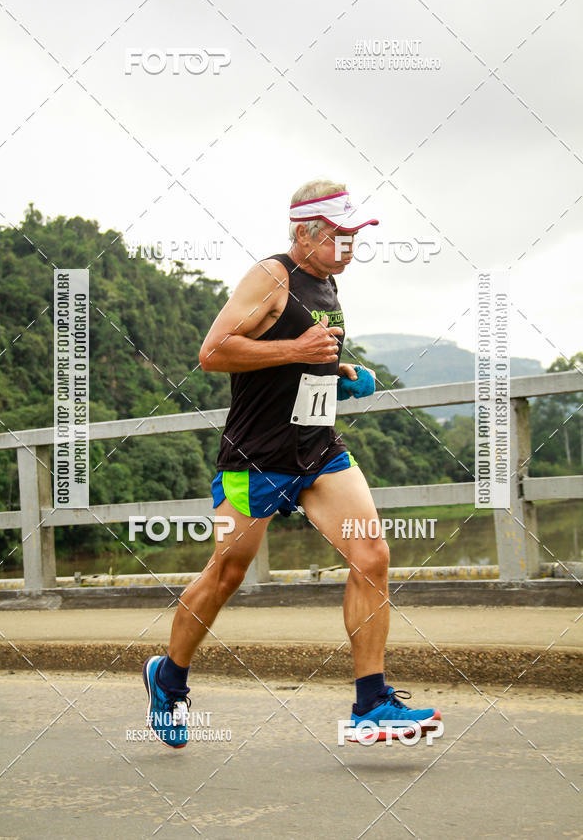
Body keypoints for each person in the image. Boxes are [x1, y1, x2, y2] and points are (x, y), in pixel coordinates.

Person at [143, 178, 442, 747]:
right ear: (305, 233)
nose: (349, 246)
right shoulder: (271, 277)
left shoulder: (326, 284)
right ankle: (169, 676)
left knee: (371, 553)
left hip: (318, 454)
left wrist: (340, 373)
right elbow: (214, 353)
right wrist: (299, 352)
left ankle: (371, 702)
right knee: (227, 574)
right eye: (340, 235)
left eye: (354, 236)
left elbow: (306, 358)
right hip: (253, 460)